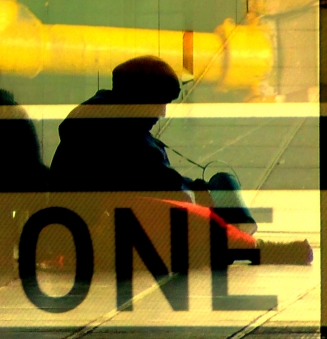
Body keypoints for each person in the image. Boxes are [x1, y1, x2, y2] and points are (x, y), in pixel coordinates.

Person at [49, 56, 257, 232]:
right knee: (223, 181)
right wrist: (202, 193)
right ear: (140, 98)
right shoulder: (124, 137)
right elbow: (164, 185)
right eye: (160, 103)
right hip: (106, 230)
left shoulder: (96, 122)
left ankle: (237, 227)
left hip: (77, 227)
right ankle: (238, 231)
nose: (162, 112)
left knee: (219, 182)